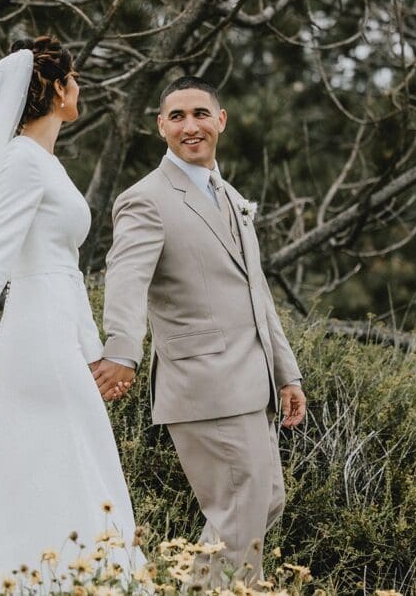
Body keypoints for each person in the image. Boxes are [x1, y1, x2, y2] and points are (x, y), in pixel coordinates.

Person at [0, 36, 143, 582]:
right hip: (37, 336)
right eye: (74, 78)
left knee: (45, 459)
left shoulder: (47, 162)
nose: (80, 87)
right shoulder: (21, 160)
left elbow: (65, 270)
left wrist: (93, 351)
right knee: (69, 456)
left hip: (60, 329)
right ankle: (74, 575)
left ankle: (4, 575)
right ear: (57, 90)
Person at [92, 75, 307, 582]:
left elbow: (258, 294)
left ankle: (197, 586)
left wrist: (286, 373)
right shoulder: (145, 199)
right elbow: (126, 279)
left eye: (201, 114)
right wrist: (121, 351)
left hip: (253, 384)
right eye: (178, 116)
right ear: (160, 127)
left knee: (263, 504)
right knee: (240, 517)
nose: (191, 126)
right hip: (204, 383)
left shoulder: (229, 195)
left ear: (221, 121)